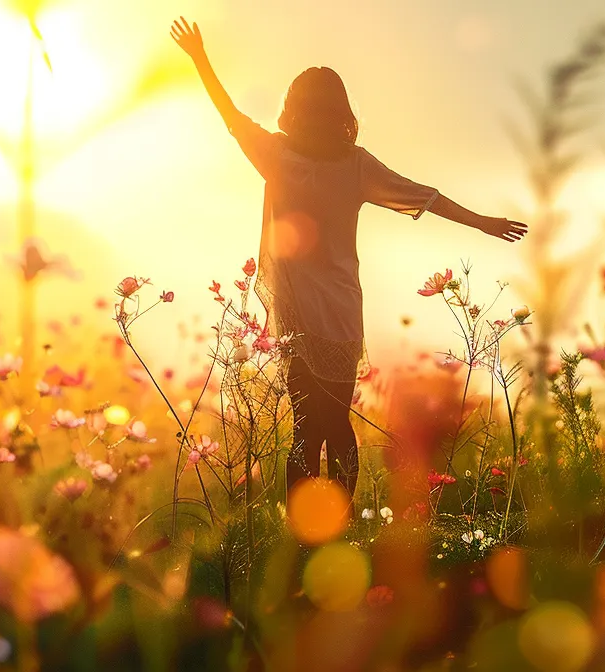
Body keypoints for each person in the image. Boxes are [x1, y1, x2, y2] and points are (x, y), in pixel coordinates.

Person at [169, 17, 528, 497]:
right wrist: (483, 221)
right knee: (335, 425)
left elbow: (229, 115)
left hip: (297, 310)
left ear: (292, 110)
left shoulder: (276, 155)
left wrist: (200, 59)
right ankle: (335, 528)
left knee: (306, 429)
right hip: (339, 312)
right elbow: (428, 197)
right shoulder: (355, 164)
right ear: (340, 111)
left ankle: (306, 534)